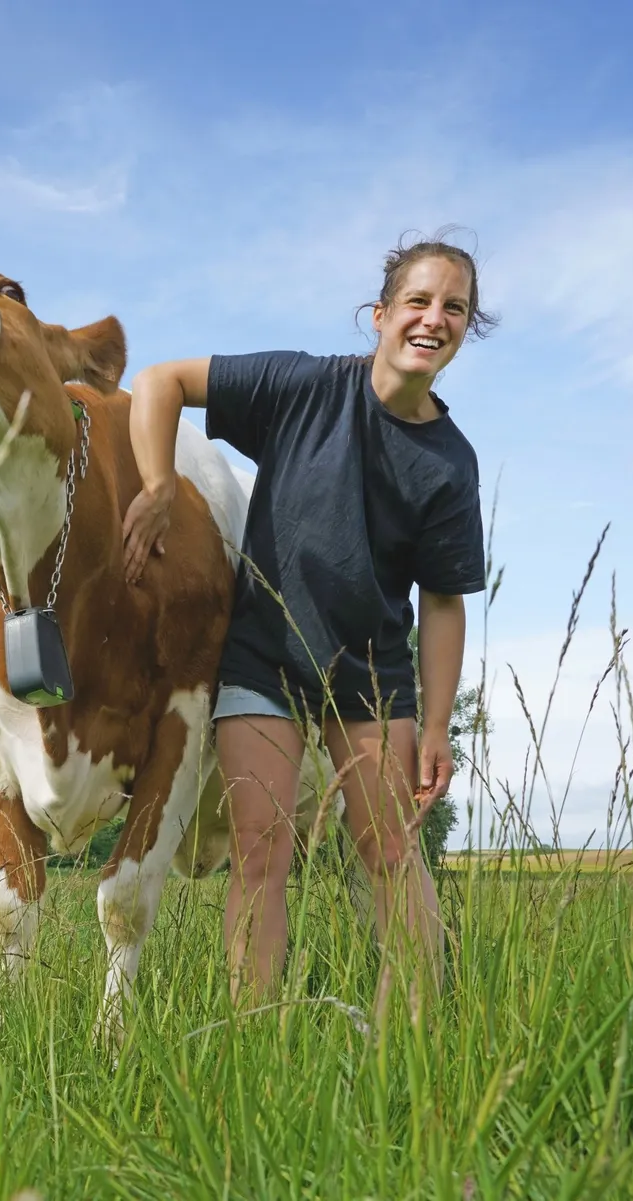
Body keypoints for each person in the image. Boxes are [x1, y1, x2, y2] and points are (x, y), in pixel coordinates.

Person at [120, 232, 493, 1017]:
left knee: (390, 851)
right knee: (260, 854)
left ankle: (412, 1035)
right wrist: (157, 485)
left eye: (454, 307)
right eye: (419, 301)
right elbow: (159, 382)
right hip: (264, 660)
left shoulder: (450, 464)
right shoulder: (302, 386)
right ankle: (253, 1038)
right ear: (380, 314)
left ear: (466, 327)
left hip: (372, 676)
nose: (435, 318)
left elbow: (444, 601)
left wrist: (435, 725)